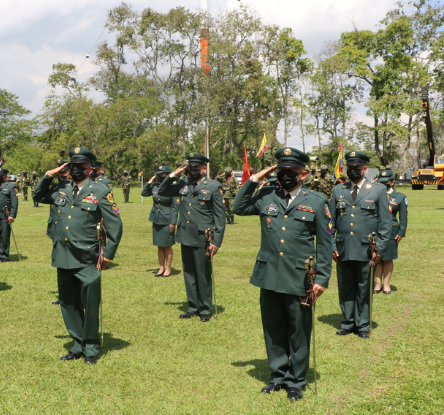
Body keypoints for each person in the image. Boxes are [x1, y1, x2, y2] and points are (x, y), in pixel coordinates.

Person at [233, 147, 333, 401]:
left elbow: (325, 243)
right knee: (274, 328)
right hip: (269, 274)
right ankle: (278, 375)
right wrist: (254, 179)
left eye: (292, 171)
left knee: (298, 330)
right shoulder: (267, 195)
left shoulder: (316, 201)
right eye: (282, 170)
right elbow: (238, 207)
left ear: (303, 173)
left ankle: (297, 380)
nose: (286, 175)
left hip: (300, 276)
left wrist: (321, 279)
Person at [33, 146, 123, 364]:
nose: (76, 170)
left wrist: (107, 254)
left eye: (81, 167)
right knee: (68, 303)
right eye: (73, 166)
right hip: (63, 254)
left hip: (87, 257)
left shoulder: (100, 191)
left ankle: (91, 348)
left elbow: (115, 225)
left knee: (90, 304)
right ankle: (77, 344)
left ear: (90, 169)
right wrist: (48, 175)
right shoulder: (60, 188)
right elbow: (37, 195)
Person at [329, 151, 391, 339]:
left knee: (364, 286)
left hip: (367, 248)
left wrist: (379, 247)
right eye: (350, 168)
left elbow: (385, 222)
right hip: (343, 247)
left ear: (365, 169)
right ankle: (348, 322)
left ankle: (363, 324)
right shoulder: (338, 190)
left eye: (357, 168)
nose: (353, 172)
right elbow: (329, 222)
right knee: (346, 286)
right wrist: (332, 246)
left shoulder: (377, 189)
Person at [159, 153, 226, 322]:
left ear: (204, 169)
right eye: (191, 168)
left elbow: (220, 218)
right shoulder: (183, 184)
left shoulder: (213, 186)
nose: (193, 171)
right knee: (189, 273)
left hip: (203, 237)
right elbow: (162, 190)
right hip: (185, 235)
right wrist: (173, 175)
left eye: (197, 168)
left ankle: (204, 309)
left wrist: (216, 242)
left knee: (202, 274)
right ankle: (193, 307)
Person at [373, 169, 406, 295]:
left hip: (392, 230)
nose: (383, 184)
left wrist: (402, 232)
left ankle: (386, 284)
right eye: (380, 181)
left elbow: (403, 217)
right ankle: (377, 284)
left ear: (392, 182)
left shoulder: (400, 197)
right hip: (376, 229)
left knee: (387, 258)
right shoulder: (374, 194)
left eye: (385, 181)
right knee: (376, 256)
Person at [142, 165, 178, 277]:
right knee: (159, 245)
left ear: (168, 175)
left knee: (167, 245)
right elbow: (144, 193)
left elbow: (176, 208)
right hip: (156, 218)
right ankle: (161, 267)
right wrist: (150, 181)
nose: (161, 176)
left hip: (167, 219)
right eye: (159, 174)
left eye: (163, 174)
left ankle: (168, 268)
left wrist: (173, 222)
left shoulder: (173, 188)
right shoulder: (155, 186)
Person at [44, 159, 71, 305]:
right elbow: (38, 194)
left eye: (65, 170)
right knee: (61, 264)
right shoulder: (55, 187)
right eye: (59, 171)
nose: (62, 174)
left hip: (72, 232)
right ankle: (63, 296)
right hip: (57, 231)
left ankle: (75, 295)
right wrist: (49, 175)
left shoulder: (78, 187)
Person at [0, 168, 18, 262]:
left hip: (5, 215)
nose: (0, 178)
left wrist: (12, 215)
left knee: (5, 236)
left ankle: (5, 255)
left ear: (6, 176)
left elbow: (14, 203)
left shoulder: (11, 186)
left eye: (2, 176)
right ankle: (0, 254)